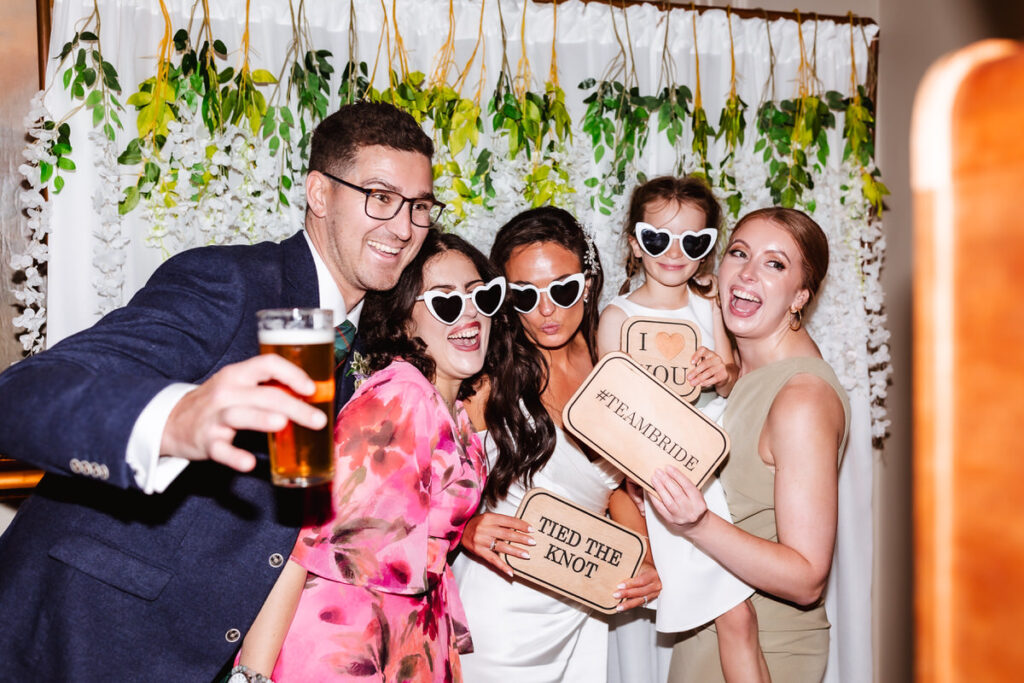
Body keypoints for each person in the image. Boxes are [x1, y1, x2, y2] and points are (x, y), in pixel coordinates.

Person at [0, 101, 440, 680]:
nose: (404, 226)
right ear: (319, 193)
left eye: (420, 207)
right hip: (81, 632)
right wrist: (175, 418)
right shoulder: (231, 282)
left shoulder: (359, 340)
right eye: (381, 197)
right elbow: (23, 393)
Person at [235, 231, 542, 681]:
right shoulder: (402, 399)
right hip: (345, 648)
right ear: (403, 322)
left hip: (404, 635)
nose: (471, 314)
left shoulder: (448, 406)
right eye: (446, 303)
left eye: (482, 296)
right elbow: (302, 542)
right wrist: (252, 674)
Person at [452, 206, 662, 682]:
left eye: (562, 290)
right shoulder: (488, 378)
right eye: (525, 295)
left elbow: (613, 488)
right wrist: (465, 531)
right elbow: (418, 483)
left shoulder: (613, 365)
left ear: (587, 285)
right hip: (501, 611)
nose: (546, 310)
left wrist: (644, 557)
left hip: (582, 602)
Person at [648, 207, 851, 682]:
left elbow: (806, 579)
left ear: (801, 295)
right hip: (710, 632)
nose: (747, 272)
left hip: (767, 648)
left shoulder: (801, 398)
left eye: (775, 264)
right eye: (739, 253)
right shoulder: (740, 374)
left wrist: (696, 524)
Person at [597, 176, 767, 683]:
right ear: (634, 243)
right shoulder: (617, 316)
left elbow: (737, 379)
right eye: (657, 238)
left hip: (720, 468)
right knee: (736, 617)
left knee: (740, 621)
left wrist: (725, 371)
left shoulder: (711, 303)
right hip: (667, 479)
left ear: (709, 247)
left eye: (693, 242)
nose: (674, 253)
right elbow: (611, 411)